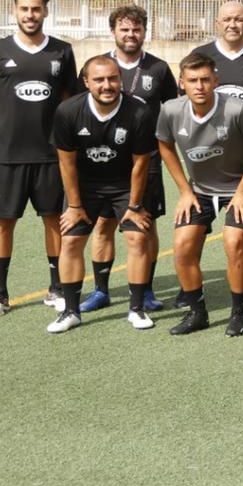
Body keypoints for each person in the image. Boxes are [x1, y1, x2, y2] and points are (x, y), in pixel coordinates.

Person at [0, 0, 81, 318]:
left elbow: (68, 100)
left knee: (53, 220)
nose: (30, 15)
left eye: (36, 8)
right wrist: (4, 124)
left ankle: (56, 288)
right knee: (3, 222)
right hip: (8, 155)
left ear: (46, 11)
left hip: (50, 155)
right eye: (24, 8)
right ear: (15, 10)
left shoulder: (62, 52)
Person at [154, 52, 243, 337]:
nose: (200, 86)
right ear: (182, 83)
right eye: (193, 80)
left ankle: (238, 313)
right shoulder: (170, 111)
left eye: (205, 79)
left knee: (233, 242)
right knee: (182, 246)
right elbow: (164, 145)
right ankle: (197, 313)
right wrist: (184, 190)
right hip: (199, 191)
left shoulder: (238, 110)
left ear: (216, 80)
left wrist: (242, 191)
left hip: (239, 189)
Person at [45, 55, 156, 334]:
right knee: (70, 241)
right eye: (99, 80)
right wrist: (73, 205)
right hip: (86, 186)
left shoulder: (139, 112)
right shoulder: (68, 111)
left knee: (137, 237)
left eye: (113, 78)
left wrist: (134, 205)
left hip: (124, 185)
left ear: (120, 79)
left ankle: (136, 308)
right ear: (86, 82)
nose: (107, 85)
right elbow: (66, 163)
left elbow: (141, 163)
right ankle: (71, 311)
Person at [191, 0, 243, 306]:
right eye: (227, 19)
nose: (232, 24)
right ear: (217, 22)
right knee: (196, 224)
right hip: (209, 155)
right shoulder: (201, 56)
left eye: (238, 19)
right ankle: (191, 283)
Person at [99, 4, 176, 313]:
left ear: (145, 31)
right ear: (114, 31)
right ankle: (101, 290)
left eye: (136, 29)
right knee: (103, 224)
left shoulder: (158, 69)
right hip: (105, 160)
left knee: (147, 224)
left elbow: (172, 109)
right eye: (125, 29)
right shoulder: (99, 67)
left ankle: (145, 290)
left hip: (149, 158)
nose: (131, 35)